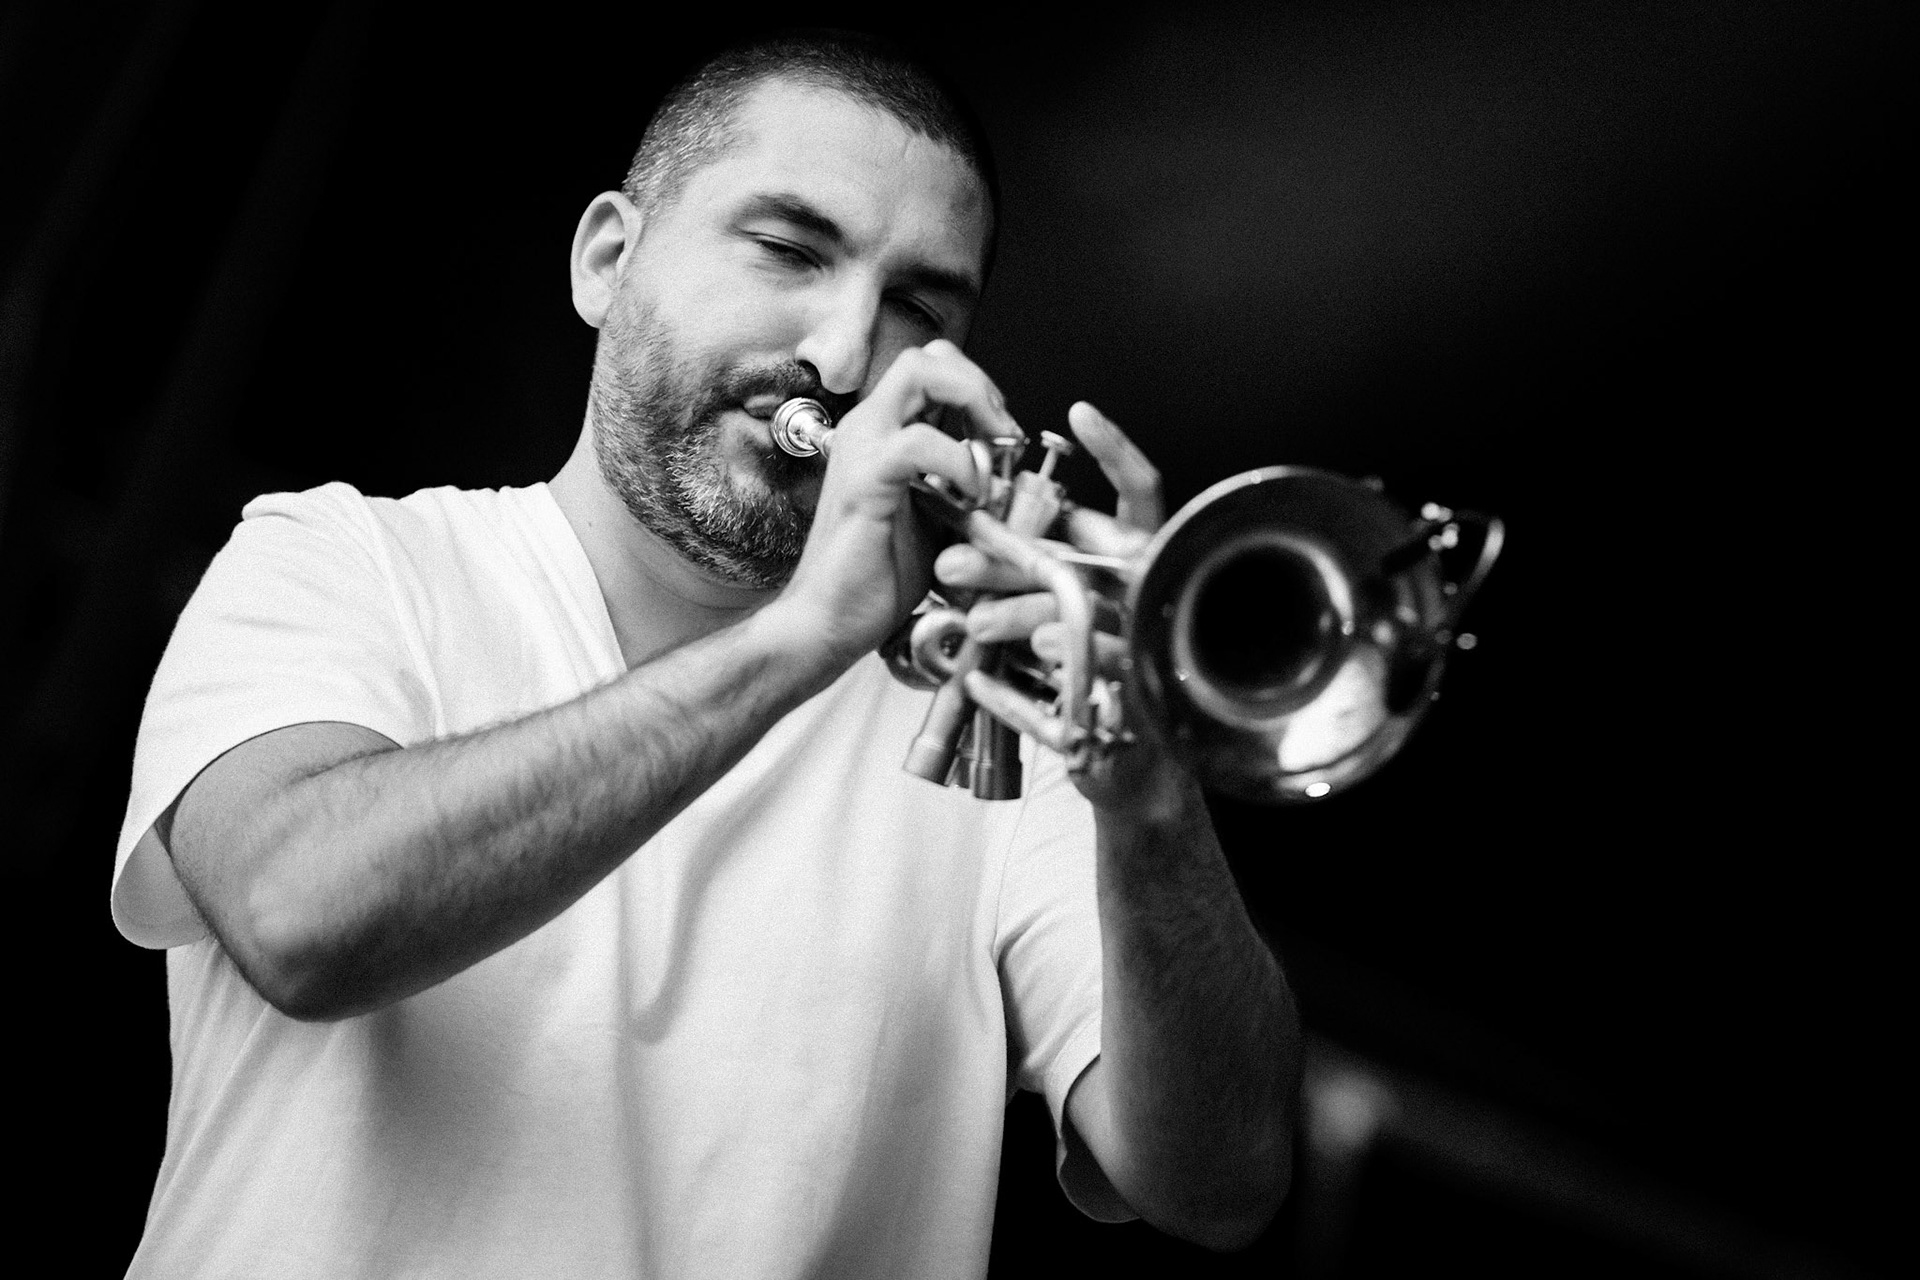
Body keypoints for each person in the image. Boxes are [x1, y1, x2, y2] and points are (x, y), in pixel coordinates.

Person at [109, 29, 1299, 1279]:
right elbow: (304, 919)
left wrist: (1154, 791)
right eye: (789, 251)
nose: (844, 357)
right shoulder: (341, 560)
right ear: (607, 260)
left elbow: (1221, 1182)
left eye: (919, 309)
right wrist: (800, 640)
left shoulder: (1004, 726)